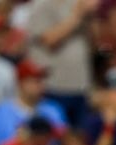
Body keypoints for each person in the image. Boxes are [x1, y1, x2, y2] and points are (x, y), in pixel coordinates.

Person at [27, 0, 98, 128]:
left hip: (80, 86)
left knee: (80, 139)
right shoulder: (41, 5)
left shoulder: (76, 5)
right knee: (55, 139)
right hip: (53, 86)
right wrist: (78, 16)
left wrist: (91, 16)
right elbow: (50, 41)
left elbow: (96, 44)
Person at [0, 59, 67, 145]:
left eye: (42, 81)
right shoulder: (0, 113)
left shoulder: (53, 110)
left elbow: (63, 143)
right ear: (21, 83)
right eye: (36, 81)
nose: (41, 86)